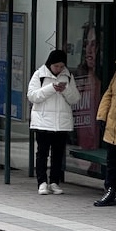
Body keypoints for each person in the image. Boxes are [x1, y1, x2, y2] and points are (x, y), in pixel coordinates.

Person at [28, 49, 80, 196]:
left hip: (61, 123)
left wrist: (65, 90)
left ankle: (54, 182)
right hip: (43, 122)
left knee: (57, 154)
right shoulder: (39, 74)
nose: (59, 69)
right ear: (50, 64)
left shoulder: (68, 76)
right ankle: (42, 182)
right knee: (42, 153)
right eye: (56, 66)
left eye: (61, 66)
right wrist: (51, 88)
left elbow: (75, 98)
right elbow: (32, 96)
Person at [94, 42, 116, 206]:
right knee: (112, 161)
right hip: (115, 124)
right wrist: (102, 116)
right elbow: (109, 94)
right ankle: (110, 192)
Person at [74, 22, 102, 150]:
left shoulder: (103, 81)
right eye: (86, 44)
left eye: (94, 44)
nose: (89, 50)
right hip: (80, 143)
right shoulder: (79, 77)